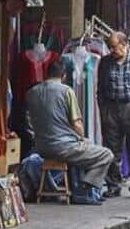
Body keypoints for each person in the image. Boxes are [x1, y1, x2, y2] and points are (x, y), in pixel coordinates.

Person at [25, 57, 114, 201]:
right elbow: (77, 125)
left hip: (41, 147)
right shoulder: (67, 91)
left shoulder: (32, 92)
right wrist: (82, 137)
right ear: (64, 76)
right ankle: (85, 188)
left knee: (81, 148)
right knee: (106, 154)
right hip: (64, 147)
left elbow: (29, 122)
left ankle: (77, 186)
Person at [96, 32, 130, 199]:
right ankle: (114, 185)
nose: (111, 50)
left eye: (114, 47)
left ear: (125, 45)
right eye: (110, 47)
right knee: (112, 149)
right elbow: (101, 89)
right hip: (111, 107)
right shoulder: (105, 62)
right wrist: (103, 109)